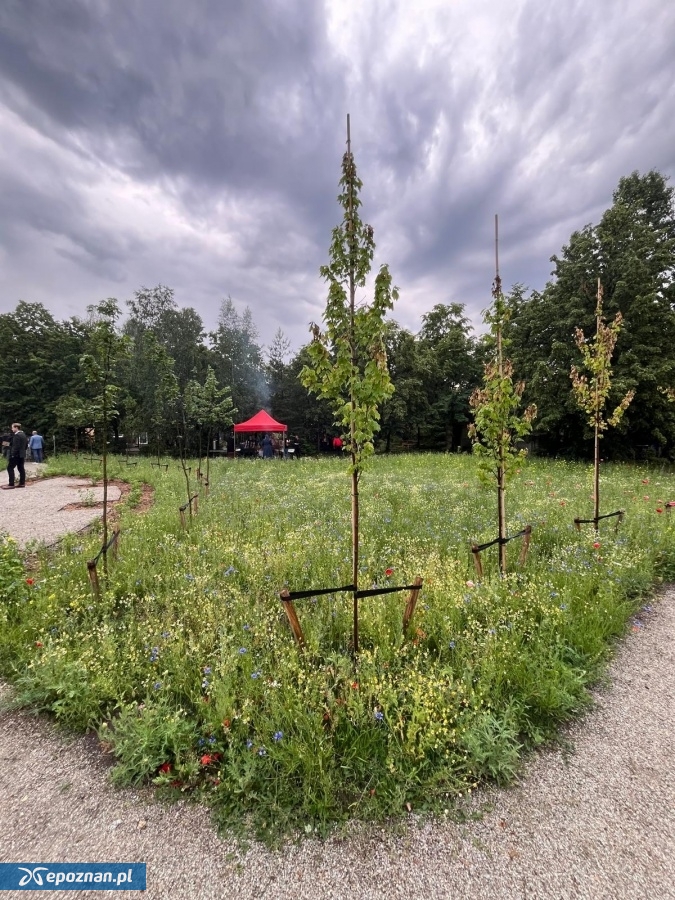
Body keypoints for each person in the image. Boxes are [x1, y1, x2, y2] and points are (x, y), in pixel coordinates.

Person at [4, 423, 27, 489]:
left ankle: (11, 484)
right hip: (22, 454)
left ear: (16, 427)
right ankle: (22, 483)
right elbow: (25, 445)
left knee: (10, 468)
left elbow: (15, 446)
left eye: (12, 427)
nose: (12, 429)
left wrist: (13, 454)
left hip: (16, 455)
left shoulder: (17, 435)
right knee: (21, 468)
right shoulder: (23, 434)